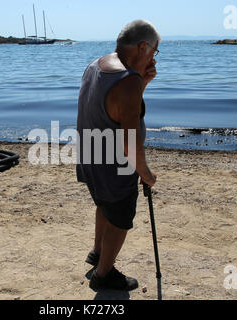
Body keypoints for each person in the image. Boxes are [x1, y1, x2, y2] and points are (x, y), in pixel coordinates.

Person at [76, 20, 160, 291]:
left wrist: (143, 82)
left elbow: (116, 110)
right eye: (154, 52)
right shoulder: (128, 80)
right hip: (115, 165)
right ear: (142, 46)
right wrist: (145, 173)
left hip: (91, 157)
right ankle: (103, 274)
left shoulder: (95, 65)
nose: (153, 58)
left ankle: (97, 253)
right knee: (121, 218)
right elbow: (128, 138)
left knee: (104, 205)